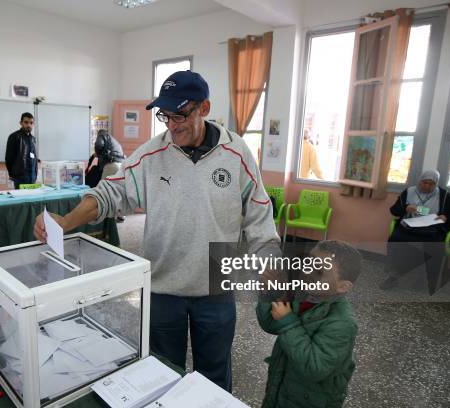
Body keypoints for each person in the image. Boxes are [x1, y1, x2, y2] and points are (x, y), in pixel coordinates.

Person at [34, 70, 280, 391]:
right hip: (163, 287)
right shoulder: (152, 155)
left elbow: (260, 218)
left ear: (204, 108)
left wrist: (272, 268)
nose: (172, 124)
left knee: (215, 378)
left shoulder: (237, 154)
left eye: (181, 114)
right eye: (165, 115)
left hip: (215, 289)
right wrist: (66, 221)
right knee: (163, 374)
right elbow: (110, 193)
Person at [257, 240, 362, 408]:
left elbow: (315, 367)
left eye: (319, 271)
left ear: (343, 286)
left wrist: (288, 321)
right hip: (280, 388)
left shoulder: (343, 323)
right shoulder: (303, 294)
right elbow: (270, 324)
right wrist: (269, 292)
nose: (307, 272)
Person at [382, 170, 450, 292]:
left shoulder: (444, 196)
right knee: (396, 240)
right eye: (424, 182)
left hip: (431, 229)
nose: (427, 186)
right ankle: (394, 275)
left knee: (435, 245)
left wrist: (445, 217)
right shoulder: (409, 192)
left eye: (431, 184)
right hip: (409, 227)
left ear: (436, 184)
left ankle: (425, 278)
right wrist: (406, 208)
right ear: (420, 181)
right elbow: (394, 210)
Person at [5, 112, 37, 189]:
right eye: (26, 122)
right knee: (22, 199)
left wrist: (35, 174)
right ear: (21, 123)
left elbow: (34, 157)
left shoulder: (33, 139)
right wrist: (12, 175)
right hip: (19, 178)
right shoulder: (14, 136)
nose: (29, 125)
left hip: (32, 177)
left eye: (31, 123)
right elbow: (9, 158)